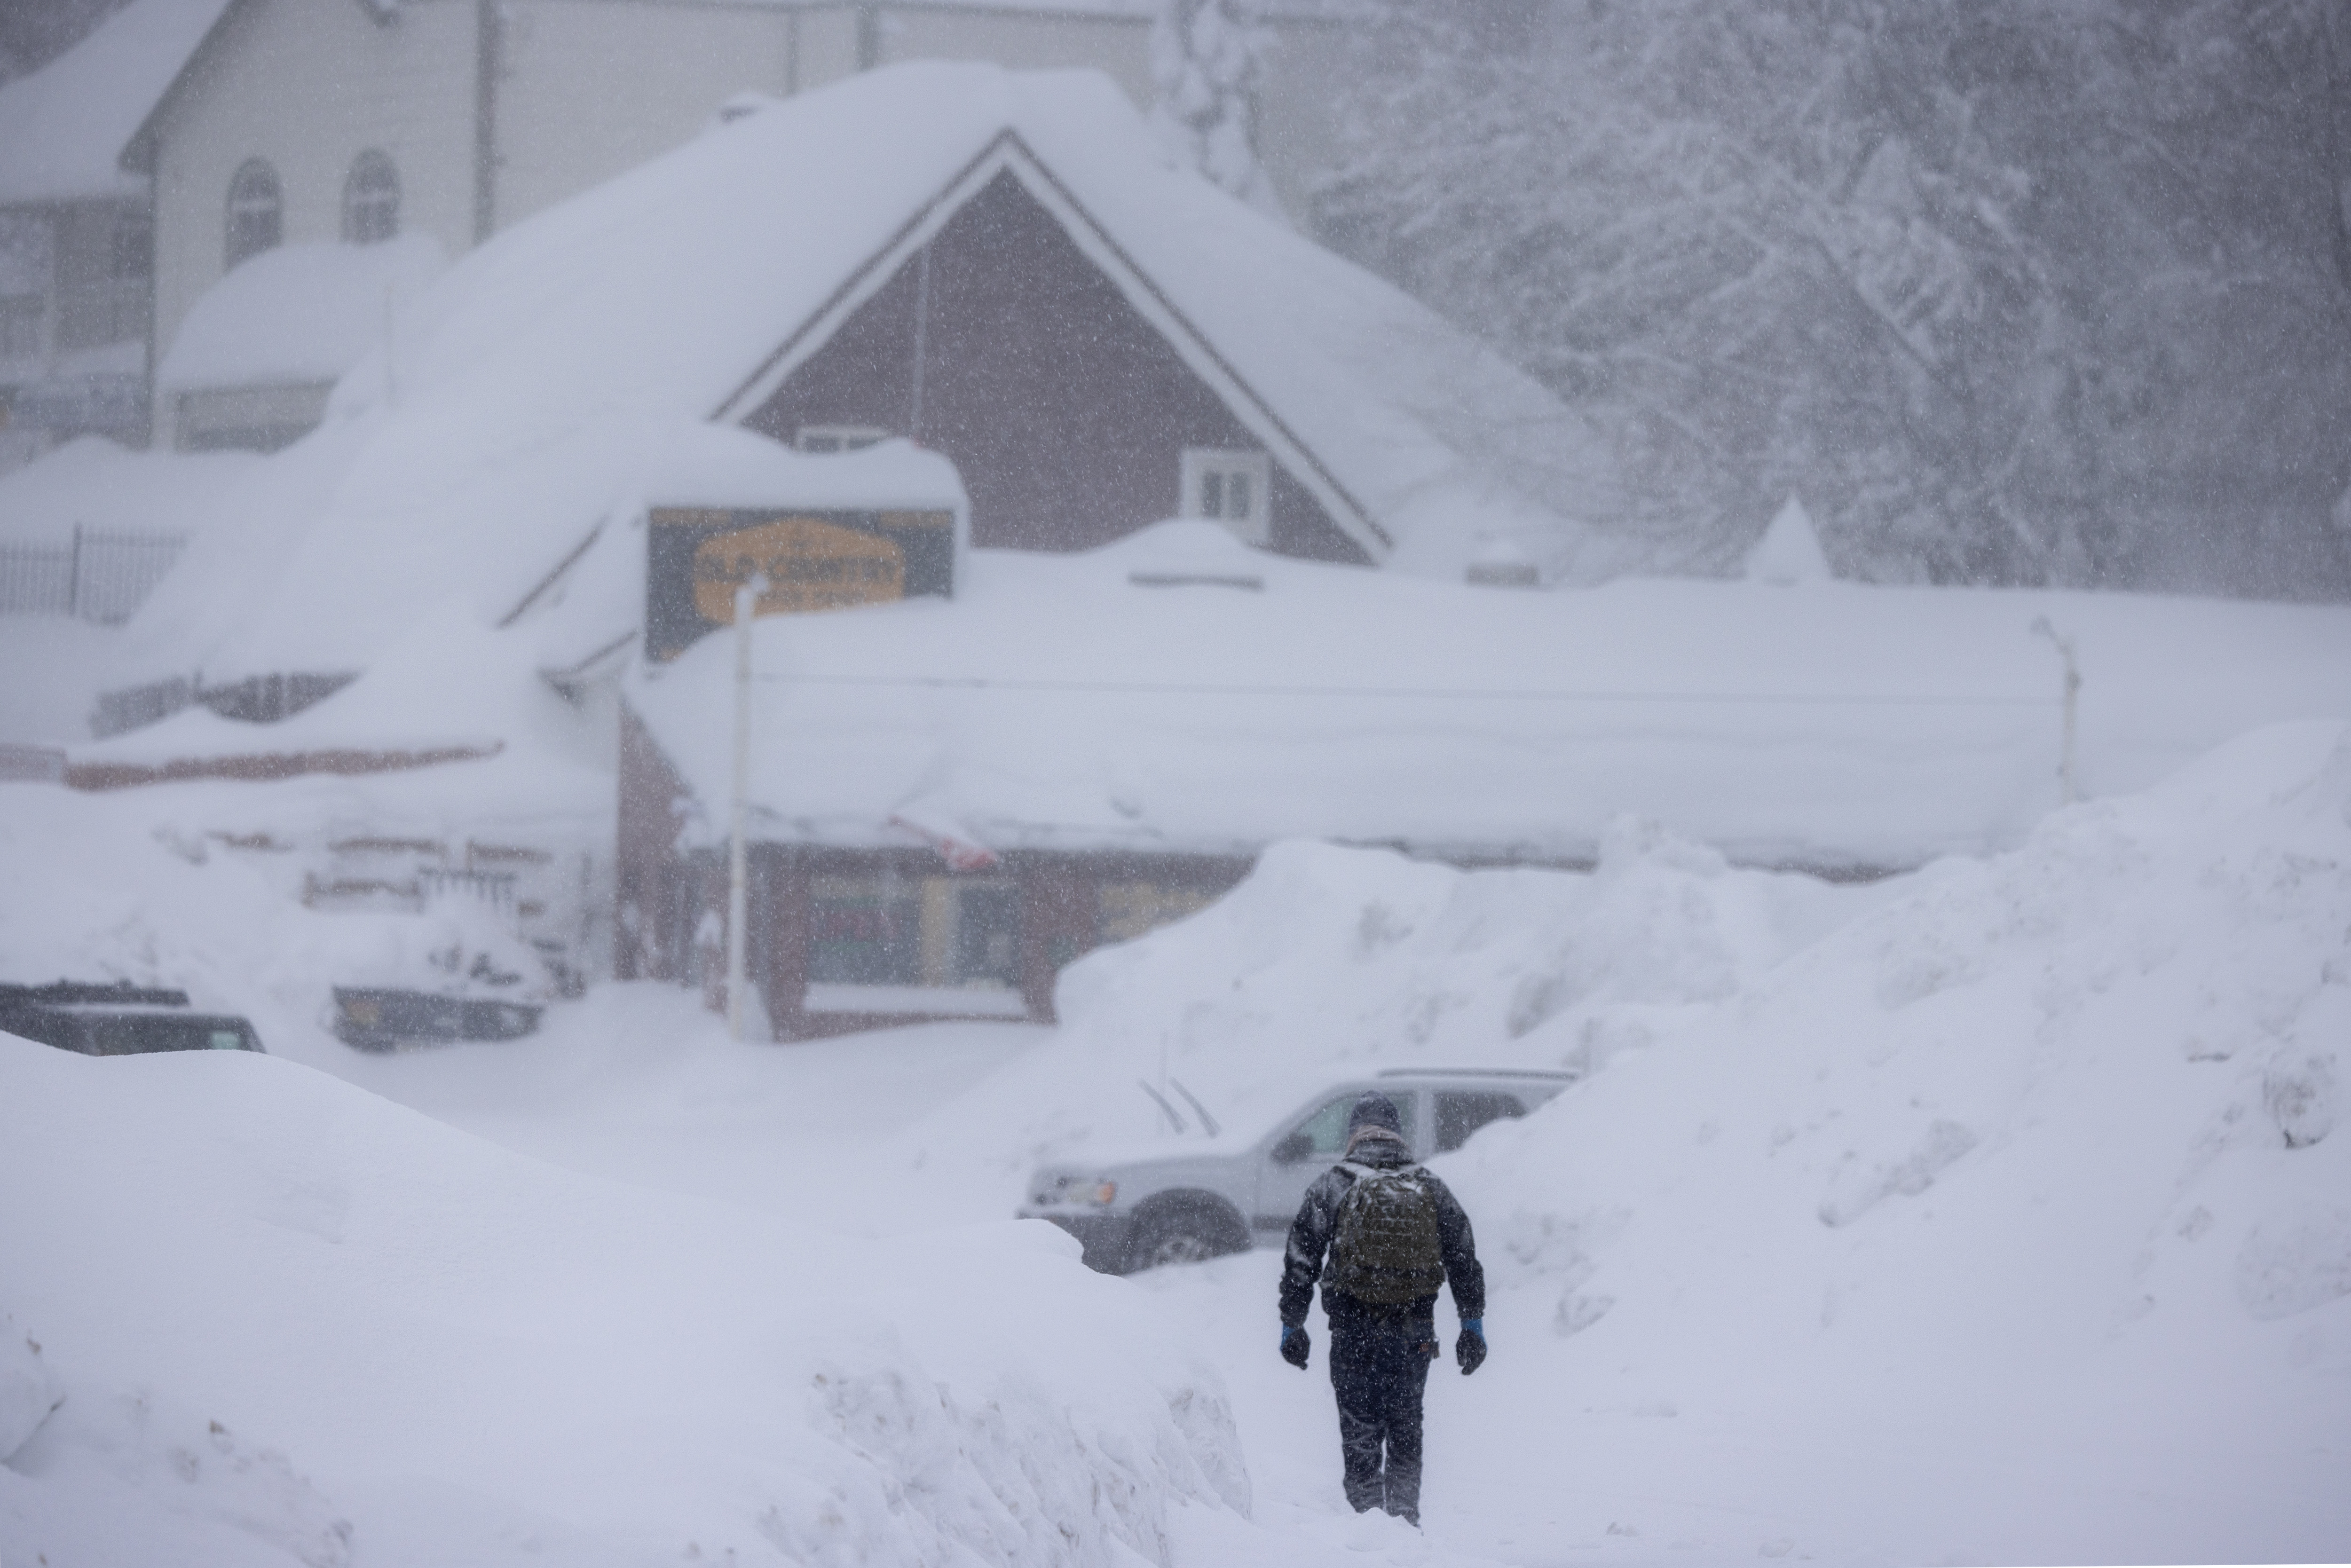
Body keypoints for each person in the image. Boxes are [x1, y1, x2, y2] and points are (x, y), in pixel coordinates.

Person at [1277, 1090, 1485, 1527]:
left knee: (1360, 1433)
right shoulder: (1428, 1183)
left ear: (1355, 1134)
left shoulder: (1334, 1183)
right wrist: (1472, 1324)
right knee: (1407, 1427)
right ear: (1397, 1134)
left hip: (1353, 1328)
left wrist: (1292, 1325)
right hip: (1415, 1330)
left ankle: (1366, 1528)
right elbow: (1463, 1257)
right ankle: (1405, 1522)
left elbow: (1302, 1259)